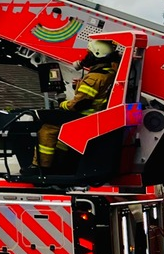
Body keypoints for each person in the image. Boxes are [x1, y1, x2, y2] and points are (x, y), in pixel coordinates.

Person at [29, 39, 122, 173]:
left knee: (48, 128)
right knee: (61, 132)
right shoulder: (108, 73)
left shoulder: (94, 77)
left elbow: (78, 105)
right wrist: (79, 85)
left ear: (96, 54)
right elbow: (92, 95)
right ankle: (59, 165)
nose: (85, 57)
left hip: (84, 117)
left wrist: (63, 104)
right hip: (95, 118)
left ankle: (40, 167)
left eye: (88, 53)